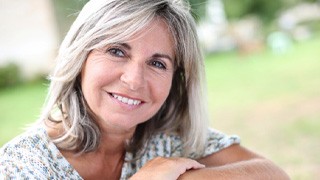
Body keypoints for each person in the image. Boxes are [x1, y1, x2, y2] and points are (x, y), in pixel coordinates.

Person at [0, 0, 289, 179]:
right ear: (80, 57)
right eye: (116, 51)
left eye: (157, 64)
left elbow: (274, 176)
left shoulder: (170, 141)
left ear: (176, 80)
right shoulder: (26, 163)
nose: (135, 80)